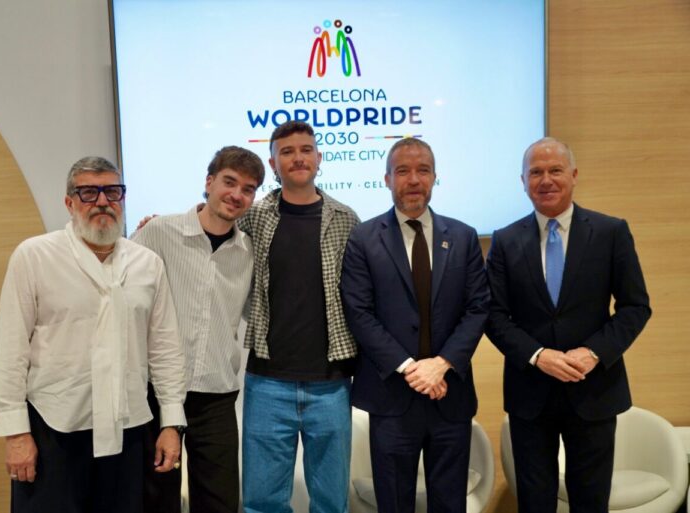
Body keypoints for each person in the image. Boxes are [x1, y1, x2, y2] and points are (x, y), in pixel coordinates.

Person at [0, 157, 187, 513]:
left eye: (112, 191)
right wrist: (16, 434)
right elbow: (11, 351)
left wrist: (171, 423)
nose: (103, 202)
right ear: (69, 202)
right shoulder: (34, 256)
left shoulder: (147, 264)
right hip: (53, 429)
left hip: (128, 429)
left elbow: (166, 349)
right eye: (89, 192)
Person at [485, 137, 651, 513]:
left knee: (591, 500)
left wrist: (594, 353)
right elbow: (493, 315)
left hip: (593, 390)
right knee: (534, 501)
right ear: (523, 181)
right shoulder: (506, 240)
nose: (546, 180)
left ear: (574, 175)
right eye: (536, 172)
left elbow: (635, 307)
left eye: (555, 170)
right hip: (531, 393)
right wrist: (537, 355)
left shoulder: (611, 232)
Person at [340, 137, 489, 512]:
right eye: (403, 171)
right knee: (393, 502)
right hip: (391, 397)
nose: (413, 179)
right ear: (387, 179)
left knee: (449, 501)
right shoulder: (363, 238)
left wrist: (441, 364)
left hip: (448, 394)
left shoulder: (463, 236)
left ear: (435, 178)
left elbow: (478, 308)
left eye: (422, 170)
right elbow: (359, 312)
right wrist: (410, 368)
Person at [131, 146, 265, 513]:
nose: (236, 195)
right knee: (157, 498)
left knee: (220, 501)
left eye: (248, 189)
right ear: (209, 182)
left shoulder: (248, 251)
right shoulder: (159, 231)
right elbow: (121, 289)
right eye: (229, 182)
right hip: (155, 391)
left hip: (216, 395)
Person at [239, 120, 360, 513]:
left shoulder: (346, 219)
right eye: (287, 152)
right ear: (273, 163)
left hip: (331, 383)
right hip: (267, 382)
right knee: (262, 501)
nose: (297, 158)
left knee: (331, 502)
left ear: (319, 158)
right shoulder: (254, 218)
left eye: (305, 149)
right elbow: (210, 233)